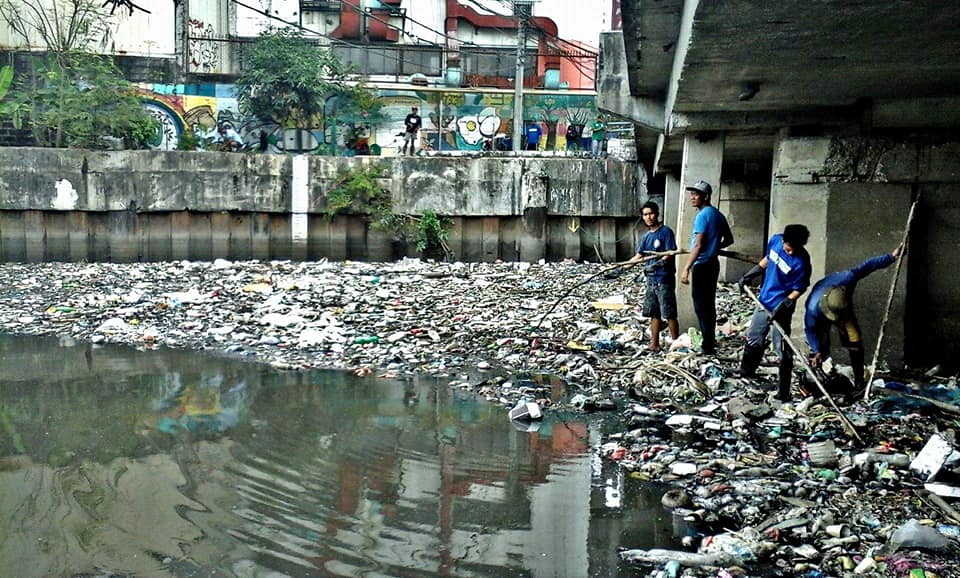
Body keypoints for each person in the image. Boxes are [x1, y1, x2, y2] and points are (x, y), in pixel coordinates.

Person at [803, 244, 903, 390]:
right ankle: (819, 379)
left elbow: (868, 266)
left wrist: (891, 257)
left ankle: (859, 381)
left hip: (844, 310)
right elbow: (809, 330)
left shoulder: (848, 277)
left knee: (854, 340)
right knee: (820, 346)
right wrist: (816, 350)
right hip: (823, 312)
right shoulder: (813, 309)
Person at [737, 225, 812, 401]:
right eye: (788, 248)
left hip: (781, 308)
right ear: (784, 241)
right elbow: (767, 260)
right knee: (754, 337)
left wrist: (786, 303)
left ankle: (783, 391)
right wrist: (750, 275)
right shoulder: (776, 241)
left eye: (795, 249)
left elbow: (799, 288)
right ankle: (746, 373)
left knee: (781, 347)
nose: (791, 252)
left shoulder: (801, 262)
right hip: (764, 301)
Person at [679, 180, 733, 355]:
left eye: (696, 195)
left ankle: (707, 346)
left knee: (701, 307)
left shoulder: (702, 216)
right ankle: (709, 342)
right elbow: (729, 240)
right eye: (692, 194)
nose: (692, 198)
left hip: (702, 266)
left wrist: (686, 268)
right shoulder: (718, 215)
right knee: (709, 306)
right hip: (713, 264)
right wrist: (715, 247)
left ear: (706, 196)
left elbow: (698, 245)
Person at [624, 201, 679, 351]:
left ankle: (677, 345)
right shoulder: (646, 237)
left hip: (664, 279)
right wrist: (623, 267)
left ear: (657, 214)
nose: (649, 217)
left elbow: (670, 252)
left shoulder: (666, 232)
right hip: (651, 280)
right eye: (645, 214)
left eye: (651, 213)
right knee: (654, 313)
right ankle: (654, 344)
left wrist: (657, 264)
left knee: (669, 313)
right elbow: (639, 256)